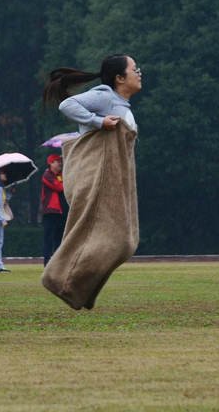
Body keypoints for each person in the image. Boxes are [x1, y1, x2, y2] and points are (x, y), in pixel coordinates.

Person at [40, 54, 142, 310]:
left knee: (126, 242)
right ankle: (57, 278)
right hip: (93, 178)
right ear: (119, 78)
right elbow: (68, 106)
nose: (139, 72)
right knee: (119, 240)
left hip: (111, 181)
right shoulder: (105, 96)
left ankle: (76, 291)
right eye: (134, 69)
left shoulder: (121, 105)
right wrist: (98, 122)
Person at [41, 154, 66, 266]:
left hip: (61, 211)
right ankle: (47, 262)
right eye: (57, 161)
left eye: (60, 161)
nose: (60, 163)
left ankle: (58, 262)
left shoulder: (61, 175)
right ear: (50, 163)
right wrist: (64, 182)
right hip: (50, 211)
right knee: (48, 238)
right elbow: (59, 187)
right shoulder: (47, 175)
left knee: (59, 237)